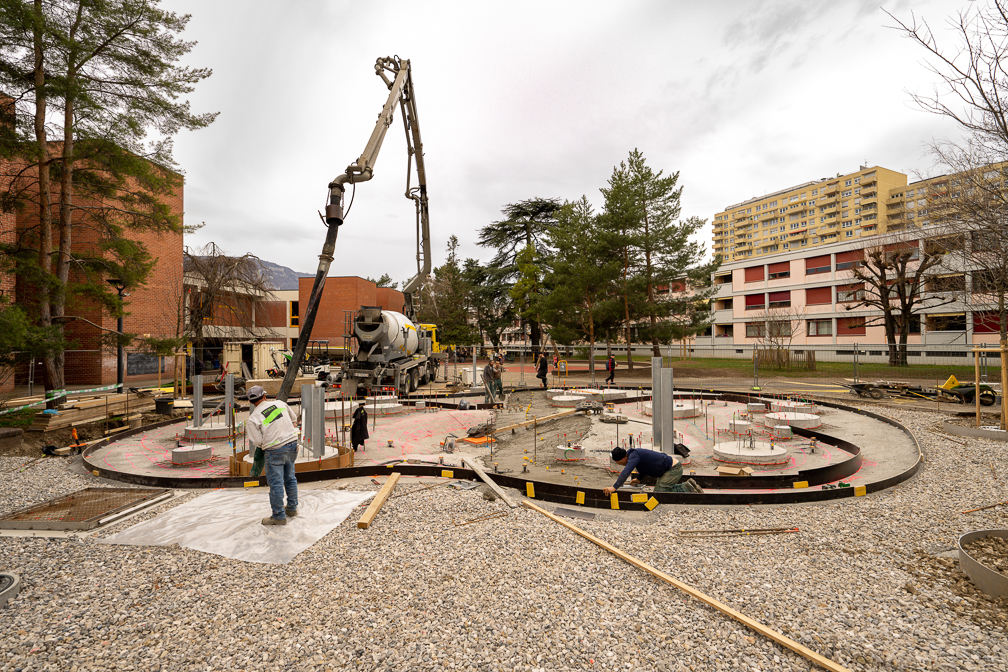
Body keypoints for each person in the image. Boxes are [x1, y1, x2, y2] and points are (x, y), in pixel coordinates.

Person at [246, 385, 300, 526]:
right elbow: (294, 419)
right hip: (292, 444)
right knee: (290, 478)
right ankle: (292, 509)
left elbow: (258, 442)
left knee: (276, 484)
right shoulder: (280, 403)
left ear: (251, 402)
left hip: (275, 450)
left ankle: (278, 516)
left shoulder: (253, 419)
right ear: (264, 396)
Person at [603, 445, 702, 495]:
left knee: (660, 493)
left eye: (618, 462)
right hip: (668, 469)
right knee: (659, 490)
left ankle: (687, 489)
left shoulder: (633, 456)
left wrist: (614, 487)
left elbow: (626, 472)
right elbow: (644, 467)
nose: (619, 464)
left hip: (673, 469)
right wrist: (639, 479)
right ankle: (689, 485)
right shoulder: (634, 455)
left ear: (623, 458)